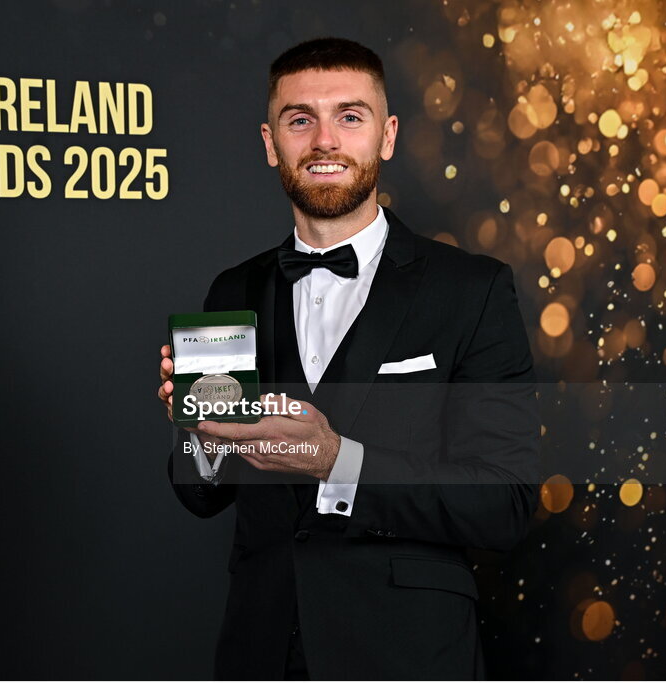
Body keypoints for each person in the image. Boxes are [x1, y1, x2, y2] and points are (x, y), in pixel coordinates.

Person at [157, 37, 540, 680]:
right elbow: (202, 494)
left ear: (387, 136)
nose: (325, 140)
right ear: (269, 141)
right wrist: (201, 434)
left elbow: (504, 501)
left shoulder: (472, 291)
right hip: (261, 651)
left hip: (408, 655)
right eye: (300, 119)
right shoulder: (234, 290)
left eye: (350, 116)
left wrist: (338, 462)